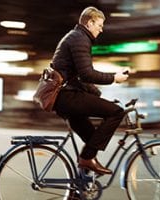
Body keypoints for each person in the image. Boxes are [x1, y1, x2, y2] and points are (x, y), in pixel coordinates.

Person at [51, 6, 128, 175]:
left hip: (65, 97)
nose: (101, 29)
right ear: (90, 22)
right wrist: (114, 78)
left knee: (92, 140)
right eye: (99, 25)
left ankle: (78, 191)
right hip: (66, 96)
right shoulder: (79, 39)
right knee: (116, 113)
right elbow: (87, 74)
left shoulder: (77, 37)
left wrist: (99, 97)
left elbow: (77, 76)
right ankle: (86, 160)